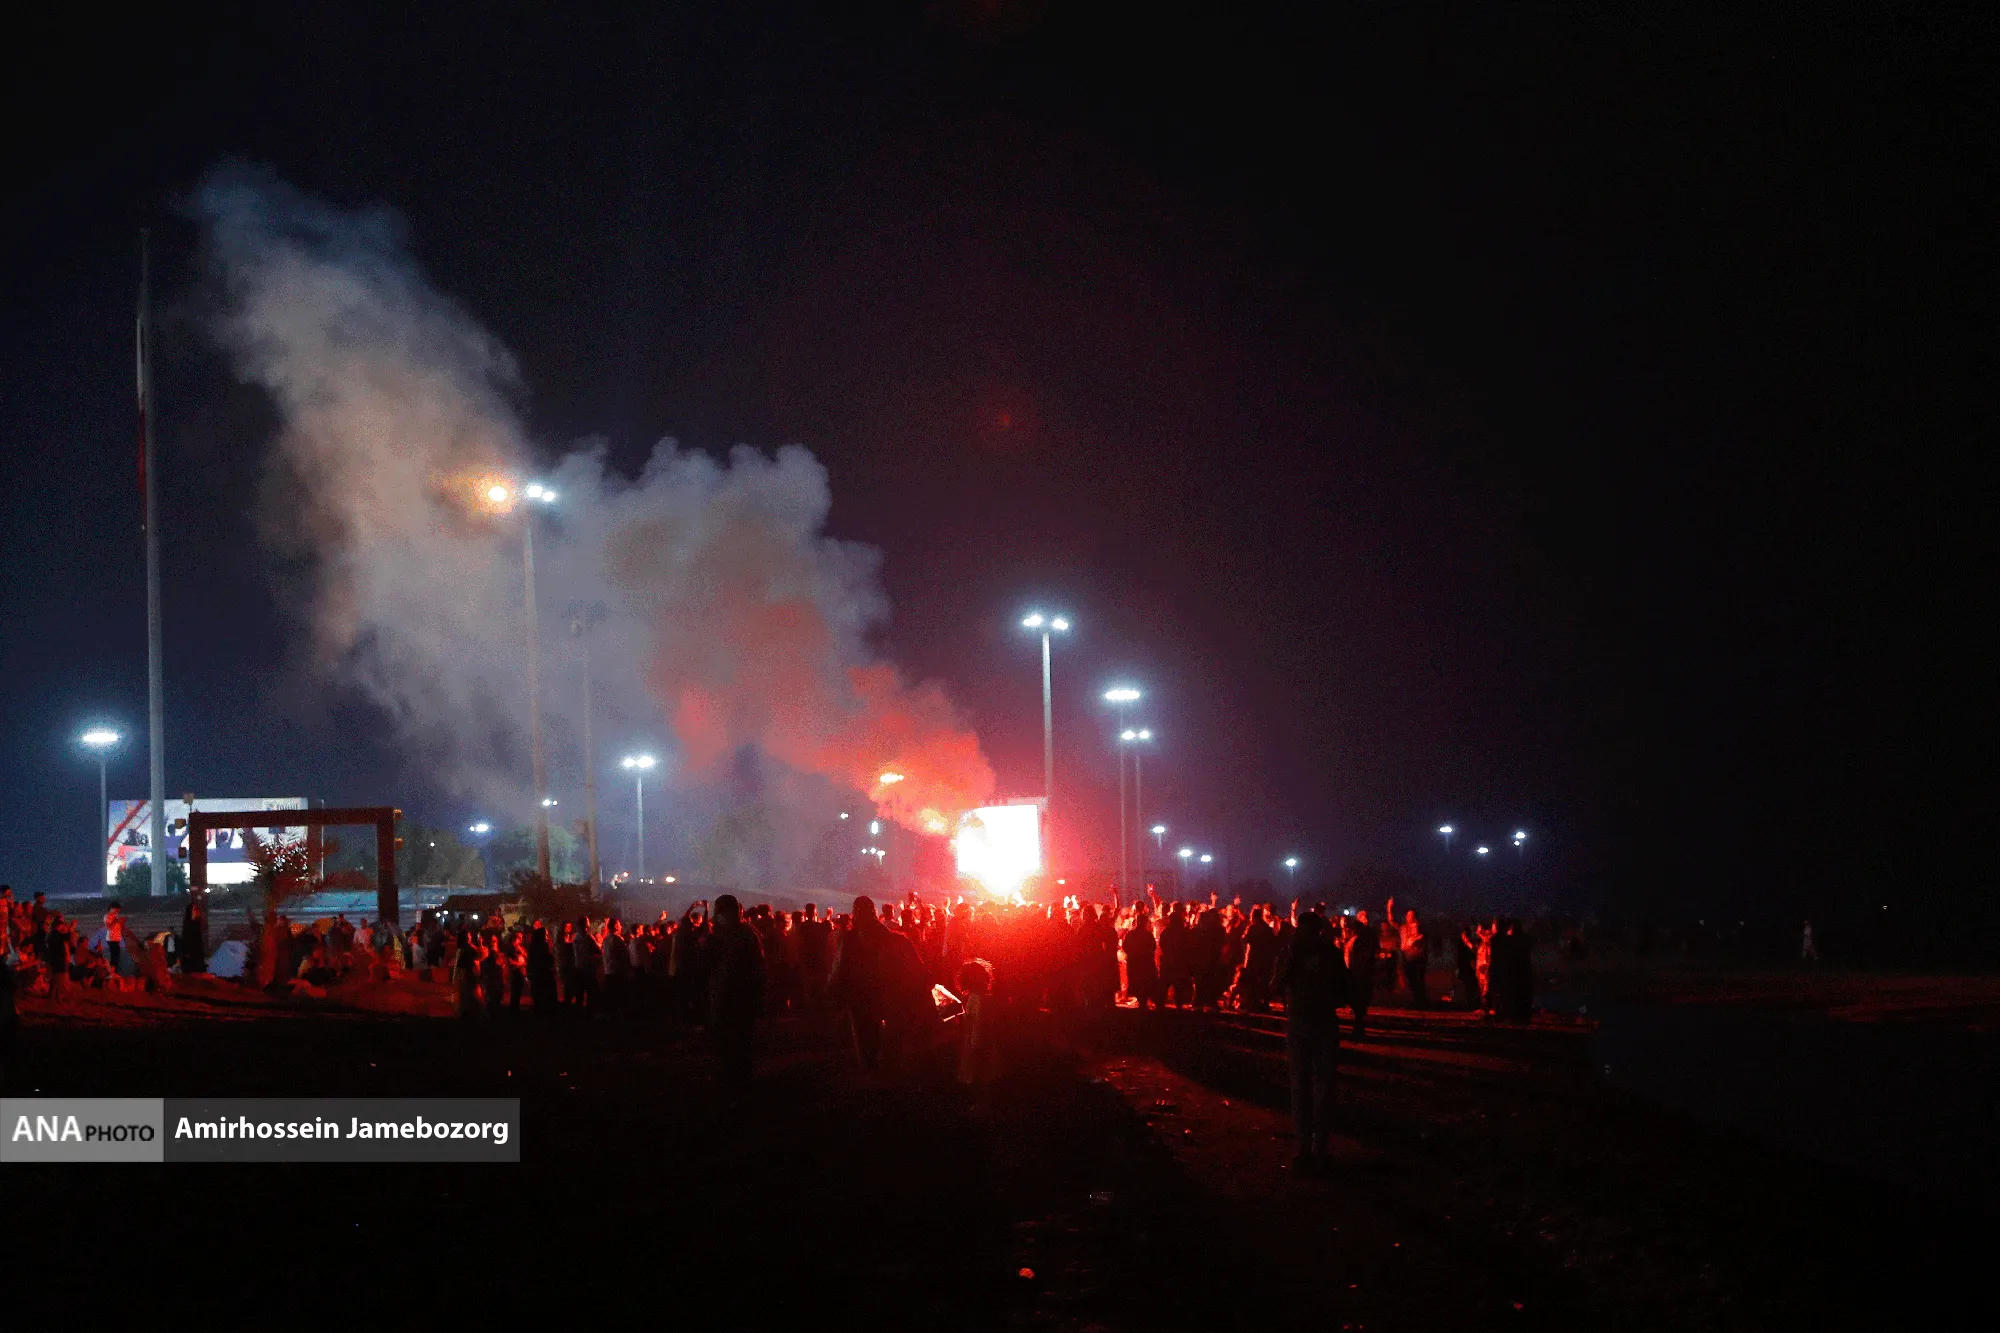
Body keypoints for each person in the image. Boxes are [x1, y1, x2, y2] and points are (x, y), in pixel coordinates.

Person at [1272, 910, 1345, 1174]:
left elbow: (1275, 986)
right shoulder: (1330, 954)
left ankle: (1305, 1149)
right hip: (1322, 1023)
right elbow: (1344, 991)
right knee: (1322, 1087)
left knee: (1301, 1086)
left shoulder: (1291, 953)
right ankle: (1318, 1150)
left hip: (1301, 1022)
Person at [705, 895, 766, 1105]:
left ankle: (732, 1084)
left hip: (728, 997)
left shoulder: (724, 936)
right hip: (738, 997)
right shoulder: (748, 934)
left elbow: (705, 964)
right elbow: (760, 966)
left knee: (732, 1042)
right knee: (740, 1041)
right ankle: (740, 1083)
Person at [1341, 911, 1376, 1040]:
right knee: (1358, 1002)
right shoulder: (1355, 940)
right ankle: (1359, 1027)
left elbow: (1355, 958)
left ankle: (1359, 1029)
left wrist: (1350, 971)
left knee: (1358, 1001)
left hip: (1358, 974)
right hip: (1359, 973)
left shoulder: (1358, 941)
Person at [1398, 909, 1428, 1008]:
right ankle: (1415, 999)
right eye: (1408, 915)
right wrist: (1389, 908)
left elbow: (1422, 937)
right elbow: (1392, 922)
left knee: (1419, 978)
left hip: (1418, 956)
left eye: (1411, 915)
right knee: (1411, 979)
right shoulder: (1403, 927)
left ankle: (1421, 1000)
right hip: (1408, 956)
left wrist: (1415, 939)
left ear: (1415, 917)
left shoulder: (1419, 926)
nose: (1409, 917)